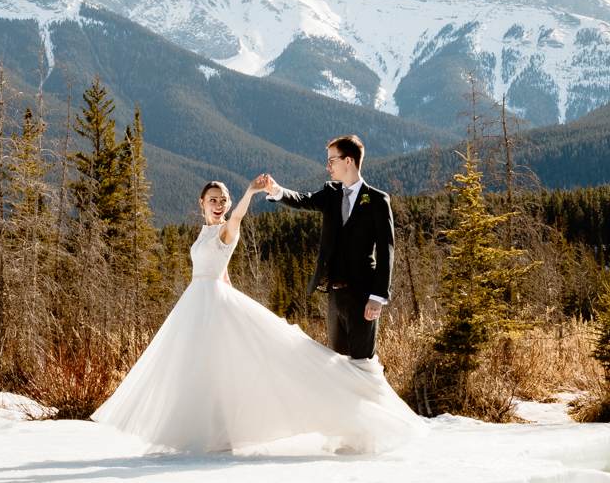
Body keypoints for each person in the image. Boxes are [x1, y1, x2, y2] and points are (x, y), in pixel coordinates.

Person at [91, 176, 423, 455]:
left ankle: (223, 432)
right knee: (198, 366)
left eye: (223, 199)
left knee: (222, 363)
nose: (219, 204)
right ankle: (208, 429)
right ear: (201, 203)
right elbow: (219, 271)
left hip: (211, 304)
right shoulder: (204, 232)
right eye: (213, 199)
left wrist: (249, 193)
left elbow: (236, 220)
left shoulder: (225, 229)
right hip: (199, 301)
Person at [257, 134, 392, 363]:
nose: (327, 166)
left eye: (332, 160)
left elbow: (387, 250)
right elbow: (302, 199)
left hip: (363, 296)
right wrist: (276, 190)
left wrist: (377, 297)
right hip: (334, 295)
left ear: (348, 161)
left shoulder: (378, 201)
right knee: (337, 364)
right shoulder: (331, 193)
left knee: (362, 363)